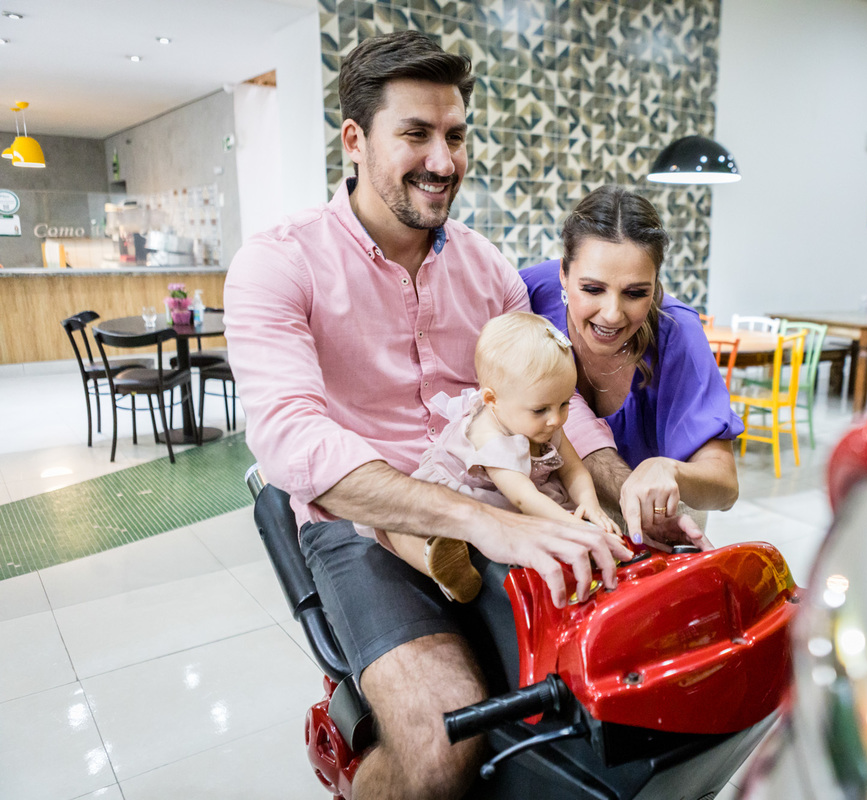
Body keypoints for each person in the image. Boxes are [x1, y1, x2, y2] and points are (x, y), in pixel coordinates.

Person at [223, 31, 631, 800]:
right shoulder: (278, 264)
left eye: (455, 135)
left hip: (493, 499)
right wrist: (484, 524)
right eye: (415, 134)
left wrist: (621, 484)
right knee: (443, 745)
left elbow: (557, 403)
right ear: (355, 139)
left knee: (609, 699)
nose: (444, 161)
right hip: (361, 529)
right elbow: (291, 443)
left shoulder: (488, 268)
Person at [522, 185, 743, 545]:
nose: (611, 314)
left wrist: (669, 469)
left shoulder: (677, 334)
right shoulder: (529, 293)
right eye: (592, 289)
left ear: (655, 288)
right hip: (565, 503)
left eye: (635, 293)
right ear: (563, 274)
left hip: (655, 515)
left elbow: (725, 489)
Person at [354, 311, 618, 603]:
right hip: (461, 496)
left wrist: (591, 508)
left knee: (559, 522)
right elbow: (523, 498)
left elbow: (573, 470)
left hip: (507, 498)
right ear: (492, 400)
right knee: (401, 523)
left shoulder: (545, 418)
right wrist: (574, 527)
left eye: (565, 403)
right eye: (541, 409)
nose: (556, 419)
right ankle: (440, 563)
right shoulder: (489, 435)